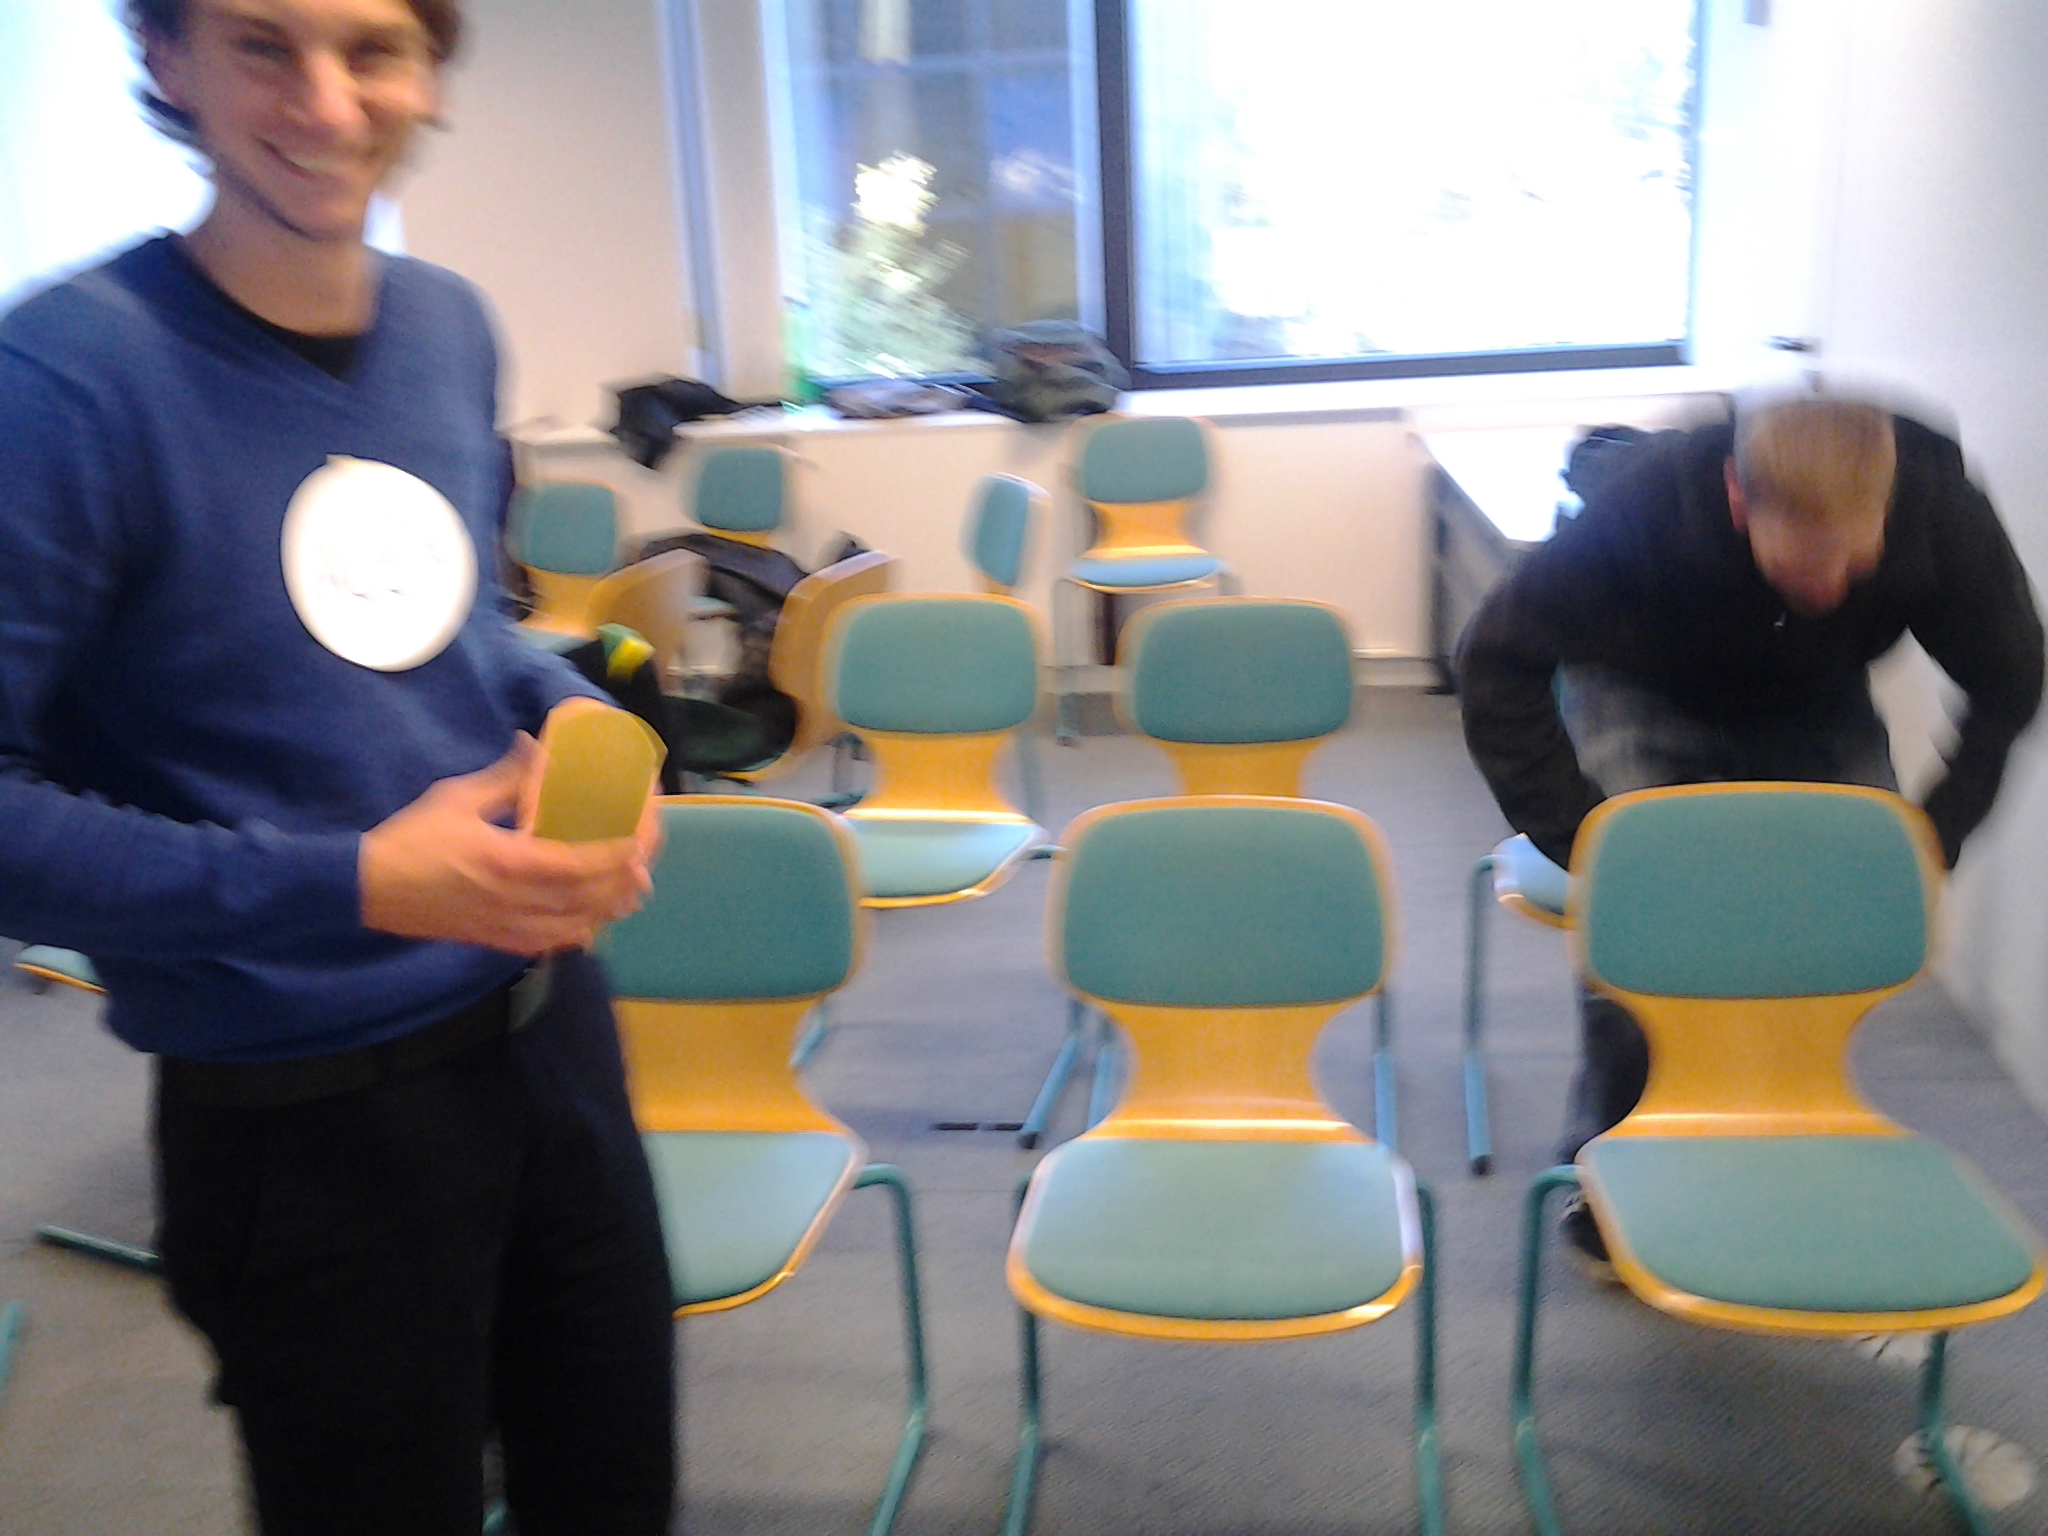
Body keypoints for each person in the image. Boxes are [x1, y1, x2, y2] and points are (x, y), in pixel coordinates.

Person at [0, 2, 677, 1530]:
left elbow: (454, 621)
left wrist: (561, 705)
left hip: (551, 1039)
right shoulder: (62, 385)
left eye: (372, 48)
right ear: (168, 61)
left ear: (429, 72)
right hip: (304, 1118)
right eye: (263, 44)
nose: (325, 101)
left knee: (615, 1492)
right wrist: (359, 880)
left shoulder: (448, 327)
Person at [1456, 395, 2045, 1272]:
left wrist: (1934, 835)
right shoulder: (1644, 511)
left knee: (1846, 923)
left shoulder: (1938, 512)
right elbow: (1494, 658)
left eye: (1856, 562)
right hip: (1643, 683)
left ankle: (1786, 1126)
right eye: (1806, 563)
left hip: (1815, 695)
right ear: (1739, 500)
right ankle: (1613, 1154)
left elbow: (2011, 680)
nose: (1833, 585)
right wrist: (1585, 842)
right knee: (1648, 930)